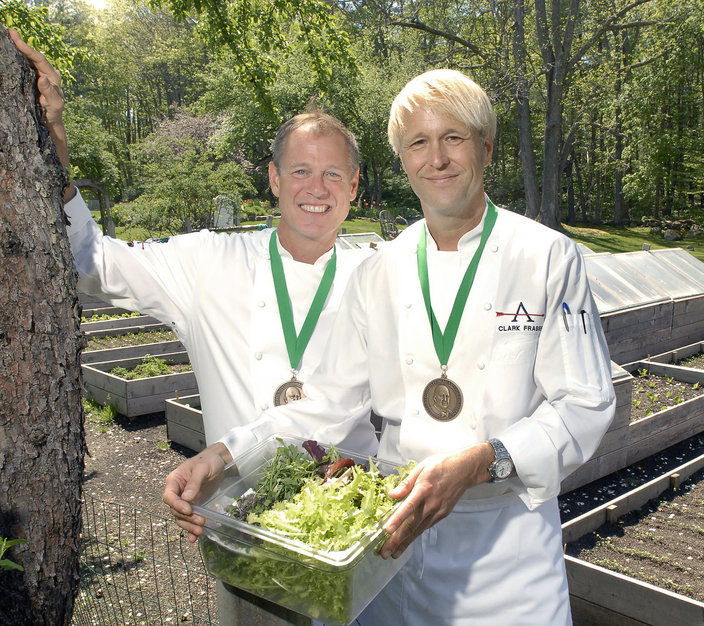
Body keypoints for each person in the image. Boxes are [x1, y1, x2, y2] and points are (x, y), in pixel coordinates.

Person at [164, 69, 615, 625]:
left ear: (486, 148)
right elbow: (327, 400)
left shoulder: (547, 258)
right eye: (418, 143)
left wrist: (482, 461)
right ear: (402, 160)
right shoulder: (379, 271)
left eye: (454, 138)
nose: (438, 158)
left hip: (508, 551)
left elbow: (585, 403)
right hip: (391, 545)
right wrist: (223, 455)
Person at [11, 29, 378, 626]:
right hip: (246, 538)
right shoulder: (210, 263)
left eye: (334, 174)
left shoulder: (377, 276)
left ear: (355, 187)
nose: (317, 189)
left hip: (352, 539)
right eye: (301, 171)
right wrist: (56, 151)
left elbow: (353, 402)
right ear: (274, 179)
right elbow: (92, 265)